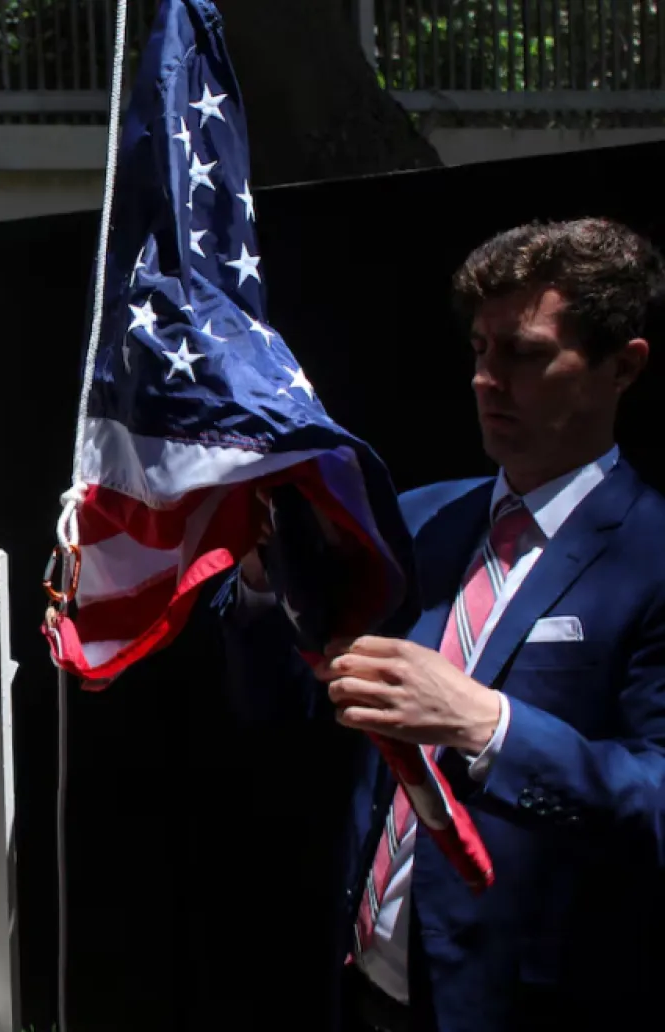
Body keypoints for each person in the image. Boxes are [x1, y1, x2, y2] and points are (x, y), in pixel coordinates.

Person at [214, 217, 665, 1031]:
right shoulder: (414, 524)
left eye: (525, 353)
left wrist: (488, 726)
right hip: (368, 985)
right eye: (481, 350)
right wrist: (258, 583)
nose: (488, 380)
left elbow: (655, 799)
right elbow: (281, 714)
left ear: (621, 368)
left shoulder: (654, 557)